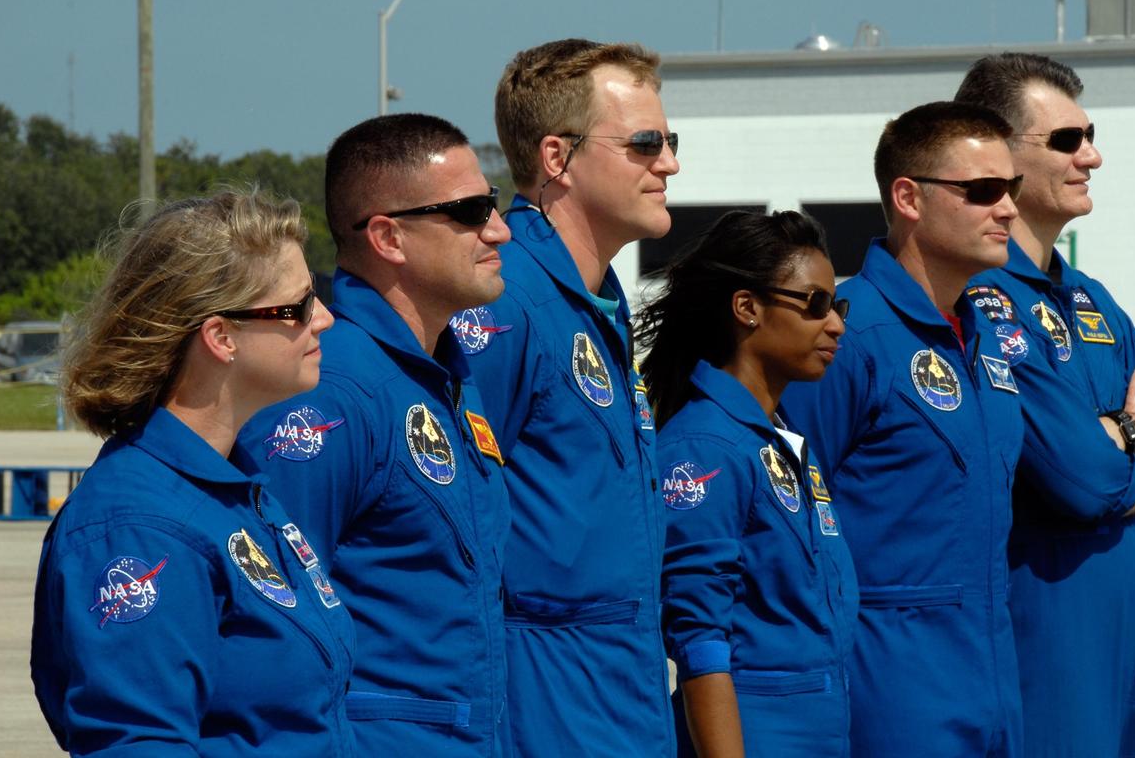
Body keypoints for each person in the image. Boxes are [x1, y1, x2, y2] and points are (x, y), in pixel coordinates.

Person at [955, 53, 1135, 757]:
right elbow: (1080, 481)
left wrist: (1125, 428)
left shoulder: (1092, 298)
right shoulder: (982, 300)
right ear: (1001, 154)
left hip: (1127, 636)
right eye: (1068, 141)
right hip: (1050, 622)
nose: (1092, 157)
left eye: (1090, 134)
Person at [31, 191, 353, 756]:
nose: (323, 317)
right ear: (220, 337)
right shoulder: (139, 525)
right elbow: (137, 741)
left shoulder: (236, 489)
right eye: (297, 307)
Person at [233, 115, 514, 755]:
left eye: (492, 205)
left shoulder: (444, 374)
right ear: (389, 236)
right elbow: (268, 621)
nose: (498, 229)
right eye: (470, 210)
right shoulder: (330, 391)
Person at [781, 101, 1032, 755]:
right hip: (888, 696)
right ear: (909, 197)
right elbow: (782, 525)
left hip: (994, 684)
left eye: (1013, 189)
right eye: (982, 191)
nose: (1006, 208)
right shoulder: (845, 336)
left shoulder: (987, 339)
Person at [456, 38, 679, 756]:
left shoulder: (597, 300)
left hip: (623, 687)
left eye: (670, 141)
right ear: (557, 158)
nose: (669, 163)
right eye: (646, 144)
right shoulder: (506, 297)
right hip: (543, 701)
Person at [637, 210, 858, 757]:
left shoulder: (777, 437)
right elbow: (699, 638)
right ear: (747, 308)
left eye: (839, 306)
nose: (836, 325)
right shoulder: (704, 447)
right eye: (816, 304)